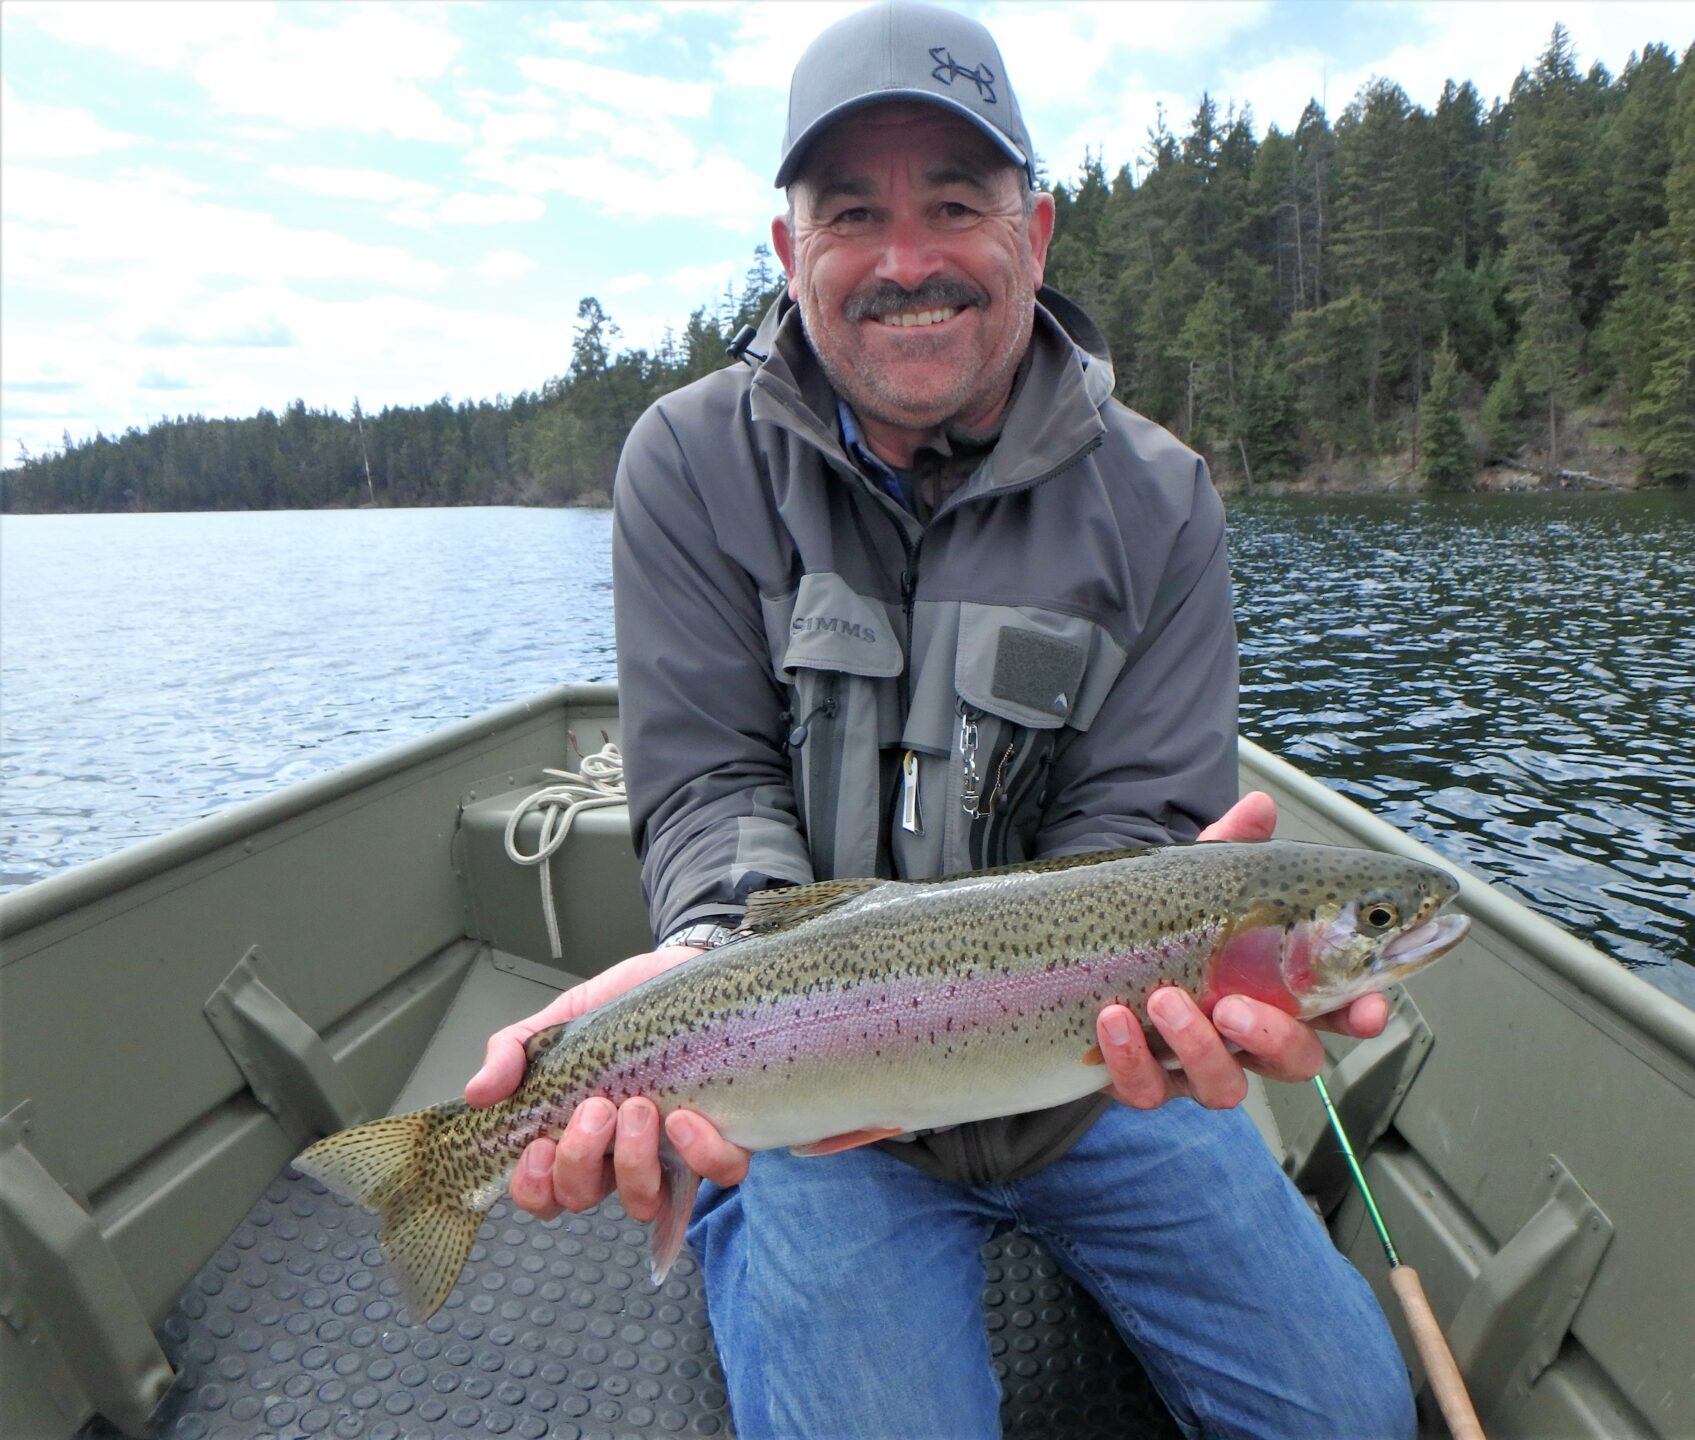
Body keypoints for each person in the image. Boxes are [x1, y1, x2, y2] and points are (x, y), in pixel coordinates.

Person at [465, 3, 1415, 1435]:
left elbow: (1136, 838)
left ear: (1034, 229)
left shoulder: (1162, 501)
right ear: (791, 253)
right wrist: (711, 972)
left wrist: (1161, 1015)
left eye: (956, 205)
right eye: (856, 214)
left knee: (1351, 1419)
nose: (908, 261)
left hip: (1097, 1087)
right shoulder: (685, 462)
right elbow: (712, 785)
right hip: (803, 1092)